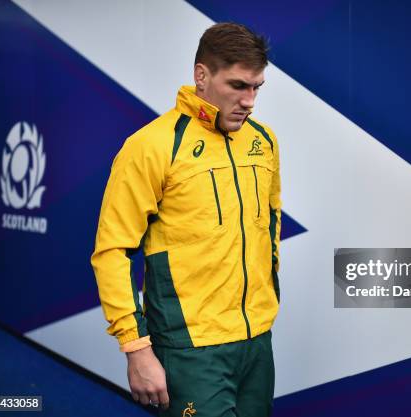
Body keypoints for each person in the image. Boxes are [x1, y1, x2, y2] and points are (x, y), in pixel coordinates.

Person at [91, 22, 281, 417]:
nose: (249, 101)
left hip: (256, 342)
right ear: (202, 75)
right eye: (237, 86)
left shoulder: (263, 140)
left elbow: (271, 227)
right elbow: (113, 251)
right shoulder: (151, 146)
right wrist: (136, 349)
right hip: (190, 348)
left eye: (256, 87)